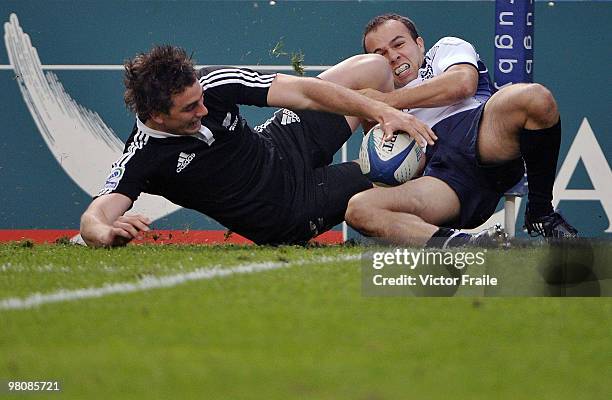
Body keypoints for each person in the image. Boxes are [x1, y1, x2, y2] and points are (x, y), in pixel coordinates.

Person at [79, 45, 439, 247]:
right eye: (190, 109)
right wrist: (105, 234)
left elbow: (300, 91)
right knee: (405, 174)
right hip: (289, 208)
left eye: (201, 98)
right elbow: (94, 218)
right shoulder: (143, 155)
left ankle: (384, 155)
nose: (204, 110)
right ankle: (424, 216)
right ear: (156, 115)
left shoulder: (211, 83)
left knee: (374, 69)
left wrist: (378, 108)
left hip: (281, 142)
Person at [341, 13, 577, 247]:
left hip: (480, 132)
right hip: (441, 178)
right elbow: (391, 169)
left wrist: (384, 101)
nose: (392, 56)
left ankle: (541, 212)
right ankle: (467, 245)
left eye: (399, 44)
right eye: (380, 54)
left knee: (535, 97)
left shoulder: (445, 49)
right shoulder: (376, 103)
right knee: (360, 209)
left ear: (419, 44)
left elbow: (462, 84)